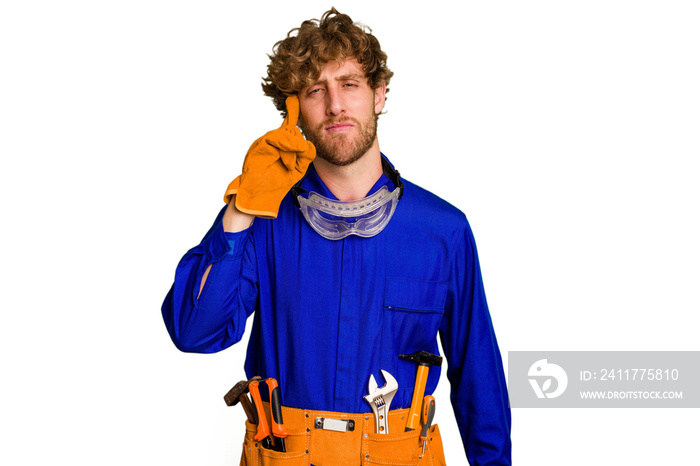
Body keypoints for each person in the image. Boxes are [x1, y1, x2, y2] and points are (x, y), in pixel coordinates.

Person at [162, 8, 511, 466]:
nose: (335, 105)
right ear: (294, 112)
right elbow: (194, 331)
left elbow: (478, 378)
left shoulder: (443, 231)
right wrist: (241, 208)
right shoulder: (262, 219)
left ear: (379, 94)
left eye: (349, 84)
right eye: (314, 91)